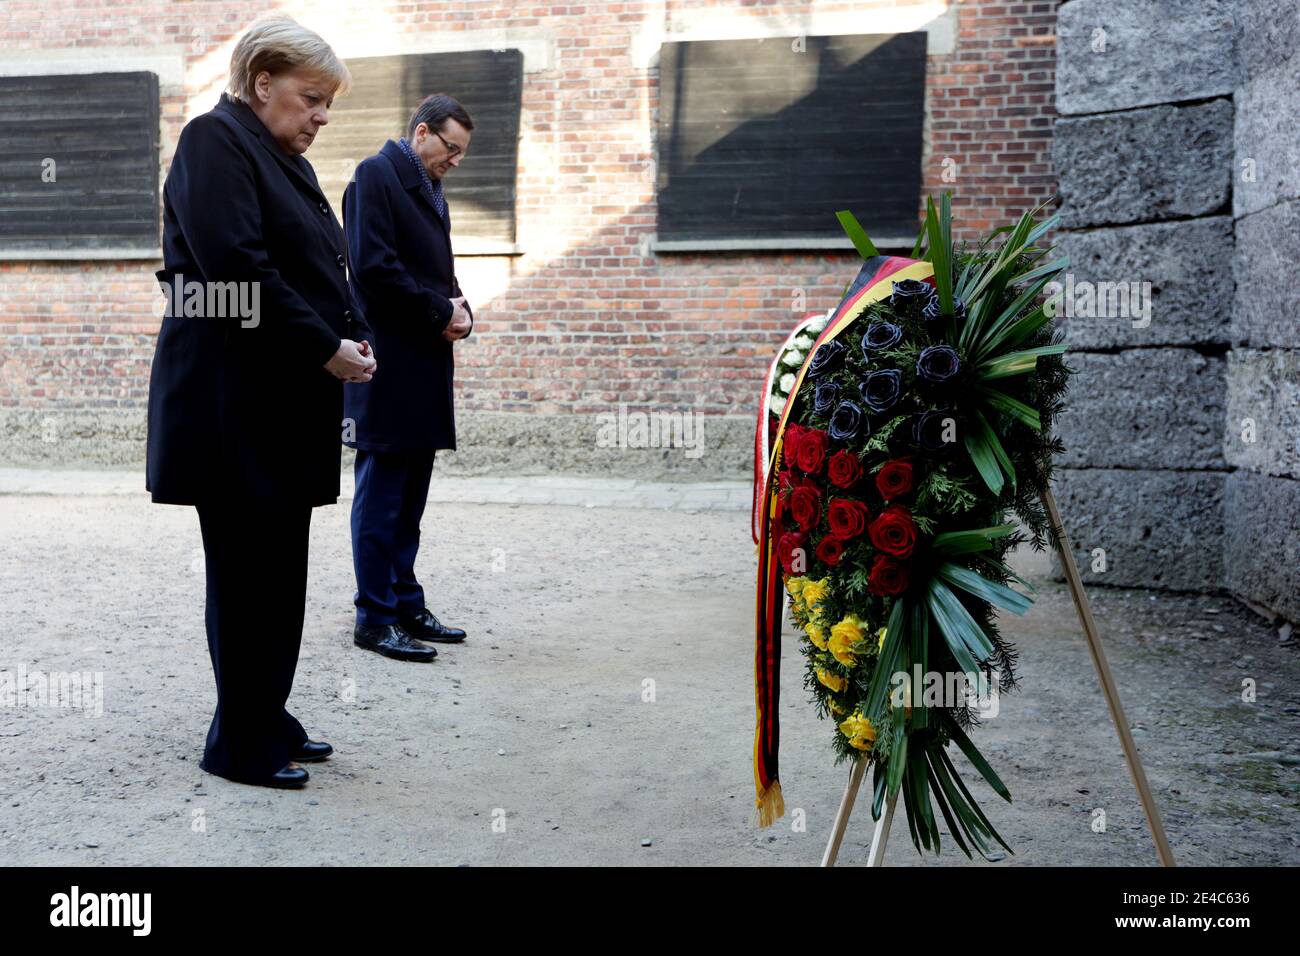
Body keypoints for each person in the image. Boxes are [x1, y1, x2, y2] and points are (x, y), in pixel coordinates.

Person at [145, 15, 374, 788]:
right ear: (262, 80)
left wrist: (355, 332)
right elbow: (234, 272)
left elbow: (320, 266)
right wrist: (322, 346)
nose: (320, 116)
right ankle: (239, 744)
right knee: (249, 576)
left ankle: (263, 713)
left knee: (279, 572)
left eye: (327, 104)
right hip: (231, 406)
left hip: (276, 401)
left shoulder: (276, 156)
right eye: (310, 98)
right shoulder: (216, 142)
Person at [342, 94, 474, 663]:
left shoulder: (426, 185)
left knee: (411, 497)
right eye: (451, 148)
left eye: (462, 152)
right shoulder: (376, 175)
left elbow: (431, 269)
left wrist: (461, 307)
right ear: (422, 133)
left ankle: (405, 603)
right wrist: (438, 310)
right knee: (383, 495)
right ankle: (374, 616)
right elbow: (373, 266)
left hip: (422, 363)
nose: (456, 160)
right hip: (388, 361)